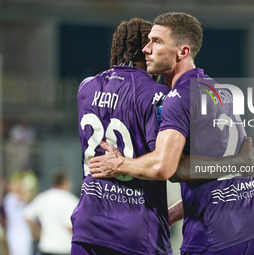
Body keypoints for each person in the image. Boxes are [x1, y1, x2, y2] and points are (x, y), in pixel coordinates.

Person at [89, 12, 254, 255]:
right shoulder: (218, 90)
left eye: (157, 42)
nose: (146, 49)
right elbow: (213, 175)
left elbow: (166, 168)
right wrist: (173, 213)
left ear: (182, 52)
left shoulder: (178, 98)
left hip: (213, 236)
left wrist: (119, 164)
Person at [70, 18, 173, 255]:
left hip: (88, 224)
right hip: (136, 229)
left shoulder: (86, 87)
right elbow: (162, 163)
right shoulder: (157, 94)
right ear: (148, 52)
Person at [24, 169, 79, 255]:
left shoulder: (43, 198)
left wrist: (38, 234)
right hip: (64, 248)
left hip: (46, 246)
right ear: (65, 182)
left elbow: (27, 216)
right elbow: (70, 227)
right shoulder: (71, 200)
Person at [3, 171, 38, 255]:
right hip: (13, 233)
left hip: (25, 234)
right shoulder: (9, 198)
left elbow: (28, 199)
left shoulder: (29, 200)